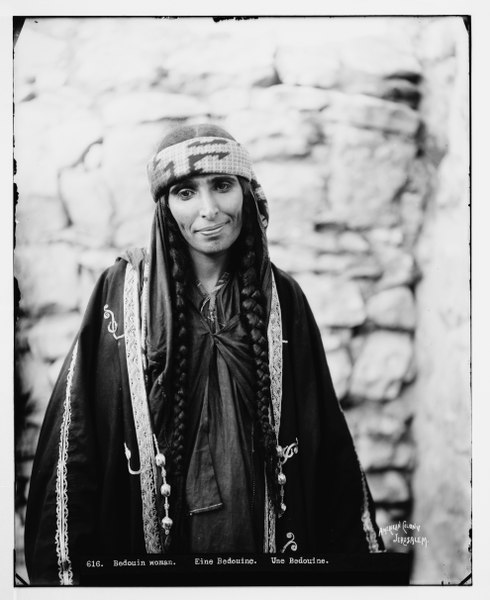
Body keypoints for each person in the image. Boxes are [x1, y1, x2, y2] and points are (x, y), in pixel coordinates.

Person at [24, 123, 384, 585]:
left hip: (261, 549)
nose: (209, 210)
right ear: (164, 207)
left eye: (222, 185)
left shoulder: (282, 300)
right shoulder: (122, 296)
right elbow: (77, 443)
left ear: (246, 193)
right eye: (185, 192)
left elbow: (322, 440)